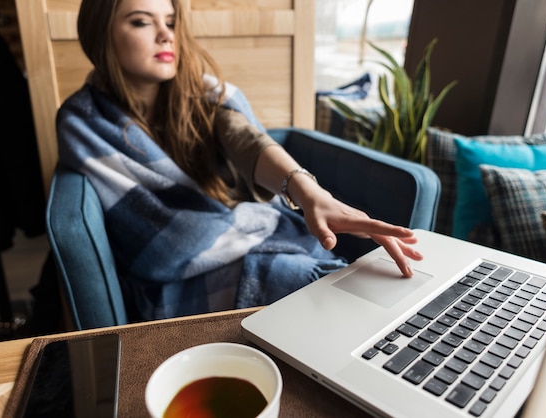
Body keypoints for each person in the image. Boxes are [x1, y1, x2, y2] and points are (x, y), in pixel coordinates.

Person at [56, 0, 423, 321]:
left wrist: (308, 191)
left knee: (341, 288)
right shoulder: (83, 121)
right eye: (141, 21)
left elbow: (245, 139)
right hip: (173, 278)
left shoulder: (204, 93)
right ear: (101, 32)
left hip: (246, 236)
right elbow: (151, 231)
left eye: (170, 21)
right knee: (308, 284)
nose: (166, 35)